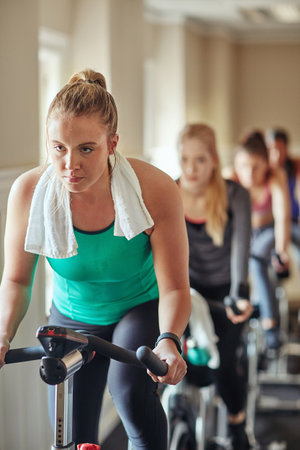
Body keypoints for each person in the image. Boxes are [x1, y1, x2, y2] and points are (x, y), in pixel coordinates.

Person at [0, 69, 191, 449]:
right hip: (72, 314)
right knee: (69, 427)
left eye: (86, 148)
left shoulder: (154, 189)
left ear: (112, 143)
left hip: (138, 309)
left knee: (130, 392)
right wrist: (3, 335)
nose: (70, 164)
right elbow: (18, 281)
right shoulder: (28, 193)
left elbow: (174, 286)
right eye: (59, 148)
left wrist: (168, 340)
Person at [177, 123, 253, 450]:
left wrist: (237, 295)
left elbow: (241, 251)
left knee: (221, 364)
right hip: (187, 290)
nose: (191, 170)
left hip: (225, 290)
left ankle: (238, 425)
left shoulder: (235, 194)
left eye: (200, 160)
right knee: (183, 362)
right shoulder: (168, 190)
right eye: (184, 160)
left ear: (213, 160)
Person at [232, 130, 290, 350]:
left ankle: (270, 325)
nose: (249, 173)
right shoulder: (232, 177)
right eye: (244, 166)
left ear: (266, 164)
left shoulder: (275, 176)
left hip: (268, 231)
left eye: (255, 167)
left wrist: (281, 251)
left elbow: (283, 217)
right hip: (243, 233)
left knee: (256, 259)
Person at [266, 127, 300, 270]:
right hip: (272, 224)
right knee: (268, 255)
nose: (277, 154)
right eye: (272, 149)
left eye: (281, 148)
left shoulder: (296, 166)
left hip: (295, 221)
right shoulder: (265, 172)